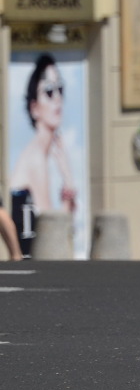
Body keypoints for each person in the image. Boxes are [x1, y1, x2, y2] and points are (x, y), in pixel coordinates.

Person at [10, 53, 77, 257]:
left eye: (60, 89)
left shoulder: (44, 154)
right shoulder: (35, 158)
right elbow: (53, 231)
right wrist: (68, 179)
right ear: (34, 108)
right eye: (48, 91)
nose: (57, 98)